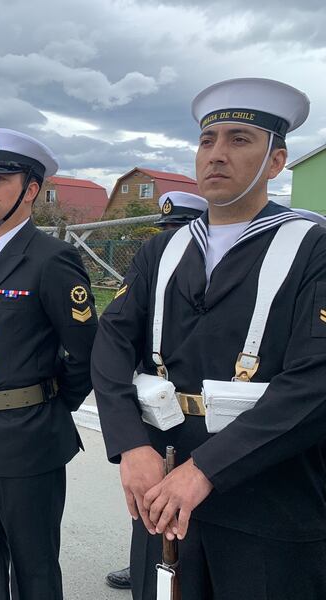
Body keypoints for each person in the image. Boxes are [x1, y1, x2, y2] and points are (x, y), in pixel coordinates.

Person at [93, 78, 326, 599]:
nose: (216, 155)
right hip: (163, 496)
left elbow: (314, 383)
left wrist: (206, 470)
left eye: (239, 139)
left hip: (268, 508)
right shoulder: (164, 252)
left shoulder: (312, 249)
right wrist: (130, 445)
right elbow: (110, 348)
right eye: (207, 140)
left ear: (276, 160)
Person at [0, 129, 98, 600]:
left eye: (0, 179)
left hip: (29, 438)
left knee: (33, 568)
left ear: (31, 190)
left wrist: (46, 404)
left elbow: (84, 351)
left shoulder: (52, 259)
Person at [105, 189, 207, 592]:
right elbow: (117, 336)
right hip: (159, 418)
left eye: (179, 227)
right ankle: (146, 564)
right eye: (165, 229)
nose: (170, 237)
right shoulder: (157, 263)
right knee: (150, 526)